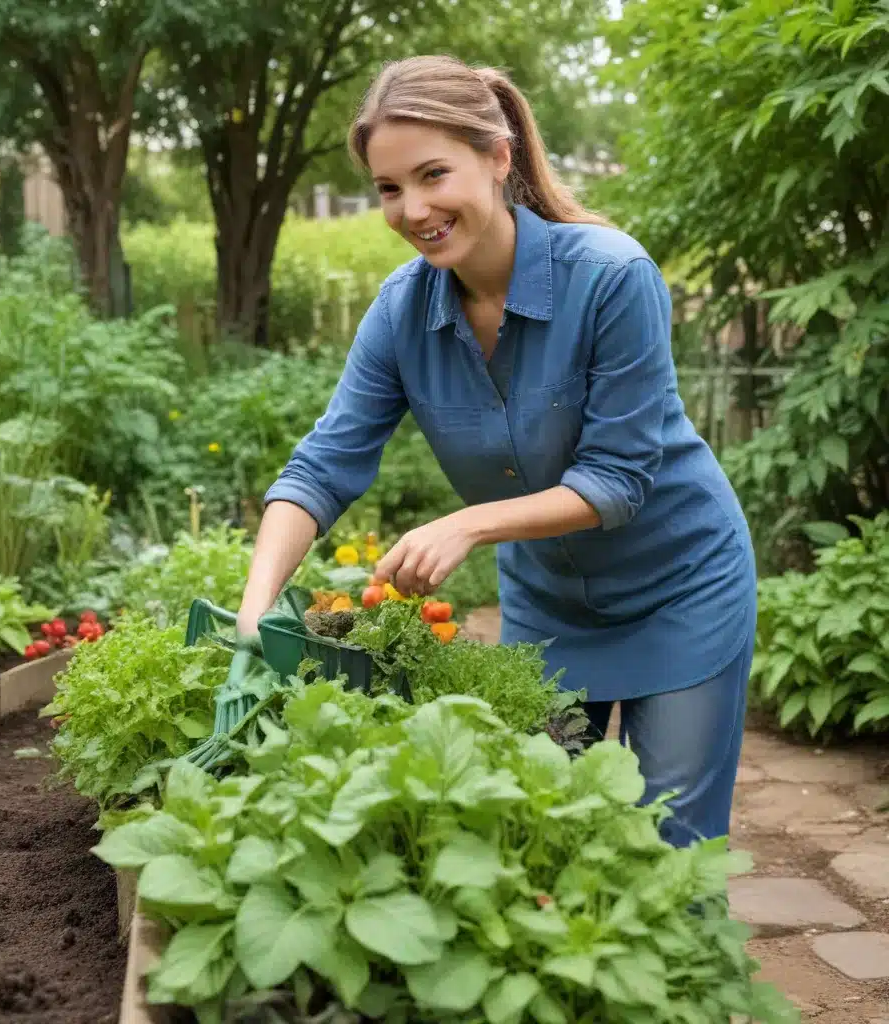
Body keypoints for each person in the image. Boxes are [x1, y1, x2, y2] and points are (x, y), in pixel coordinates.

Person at [236, 55, 757, 849]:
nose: (413, 208)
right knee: (535, 847)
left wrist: (469, 525)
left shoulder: (612, 278)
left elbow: (617, 480)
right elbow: (322, 465)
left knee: (669, 852)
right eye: (388, 188)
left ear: (498, 156)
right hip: (548, 615)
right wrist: (256, 609)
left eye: (432, 174)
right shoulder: (400, 314)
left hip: (680, 592)